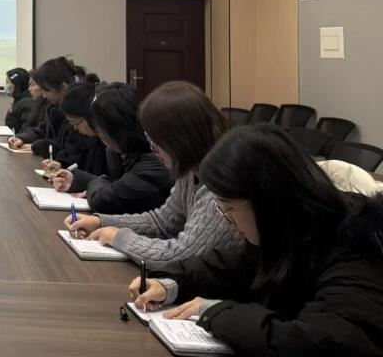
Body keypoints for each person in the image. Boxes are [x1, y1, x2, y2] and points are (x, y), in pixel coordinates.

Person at [130, 125, 383, 356]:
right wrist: (171, 283)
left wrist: (215, 312)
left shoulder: (357, 248)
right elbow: (230, 267)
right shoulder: (293, 232)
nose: (228, 220)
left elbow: (320, 343)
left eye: (229, 208)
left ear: (266, 201)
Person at [65, 81, 245, 267]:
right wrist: (101, 222)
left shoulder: (221, 184)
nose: (154, 150)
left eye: (155, 143)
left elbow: (181, 255)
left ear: (180, 140)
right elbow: (162, 222)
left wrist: (119, 237)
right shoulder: (190, 170)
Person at [51, 82, 172, 214]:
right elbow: (117, 186)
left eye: (99, 131)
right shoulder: (128, 152)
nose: (99, 136)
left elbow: (102, 201)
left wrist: (97, 185)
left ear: (116, 129)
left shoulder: (155, 161)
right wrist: (77, 180)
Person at [7, 57, 92, 151]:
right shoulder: (54, 108)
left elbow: (71, 151)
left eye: (47, 90)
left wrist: (39, 147)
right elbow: (41, 130)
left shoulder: (77, 112)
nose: (44, 95)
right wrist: (22, 138)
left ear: (63, 87)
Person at [1, 68, 33, 133]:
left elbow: (25, 130)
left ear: (17, 84)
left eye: (7, 82)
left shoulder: (26, 103)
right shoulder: (20, 100)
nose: (5, 85)